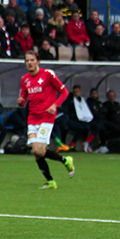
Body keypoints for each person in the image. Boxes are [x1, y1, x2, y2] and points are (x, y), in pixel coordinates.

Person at [18, 50, 75, 188]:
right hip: (32, 118)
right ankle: (51, 181)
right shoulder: (24, 79)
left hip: (46, 117)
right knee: (36, 153)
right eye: (27, 60)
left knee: (39, 151)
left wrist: (55, 105)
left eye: (32, 60)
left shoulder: (48, 74)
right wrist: (21, 100)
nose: (29, 63)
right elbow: (24, 98)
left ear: (38, 61)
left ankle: (65, 160)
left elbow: (64, 92)